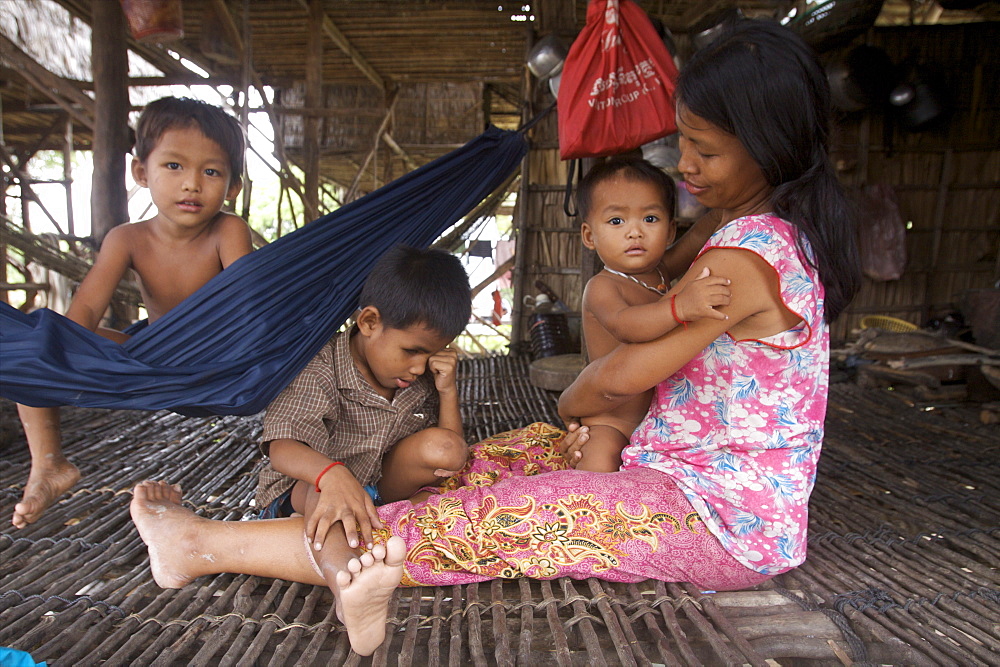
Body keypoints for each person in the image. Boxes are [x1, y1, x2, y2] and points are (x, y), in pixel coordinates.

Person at [128, 19, 860, 657]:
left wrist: (583, 404)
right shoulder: (765, 238)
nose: (688, 169)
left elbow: (608, 381)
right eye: (686, 145)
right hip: (681, 471)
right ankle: (332, 535)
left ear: (766, 146)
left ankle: (200, 544)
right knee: (496, 458)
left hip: (718, 517)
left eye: (704, 150)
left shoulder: (739, 259)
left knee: (492, 515)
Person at [12, 96, 254, 529]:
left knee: (39, 344)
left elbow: (249, 303)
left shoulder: (227, 230)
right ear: (141, 172)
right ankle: (48, 461)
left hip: (219, 361)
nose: (192, 184)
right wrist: (62, 351)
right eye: (174, 166)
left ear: (232, 187)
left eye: (211, 171)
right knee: (28, 345)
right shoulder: (126, 238)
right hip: (149, 353)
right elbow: (86, 305)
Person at [255, 244, 472, 556]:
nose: (419, 367)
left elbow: (452, 457)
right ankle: (345, 578)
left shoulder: (421, 379)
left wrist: (447, 391)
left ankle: (372, 522)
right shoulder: (321, 365)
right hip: (302, 494)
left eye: (432, 353)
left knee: (446, 466)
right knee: (323, 496)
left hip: (374, 492)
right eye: (412, 351)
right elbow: (282, 448)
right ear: (369, 322)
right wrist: (331, 475)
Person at [573, 157, 731, 471]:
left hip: (659, 421)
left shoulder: (659, 271)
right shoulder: (602, 287)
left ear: (670, 230)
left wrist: (725, 211)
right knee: (597, 474)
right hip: (612, 419)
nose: (635, 232)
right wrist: (680, 307)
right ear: (590, 236)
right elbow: (627, 326)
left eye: (650, 218)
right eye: (616, 221)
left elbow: (698, 239)